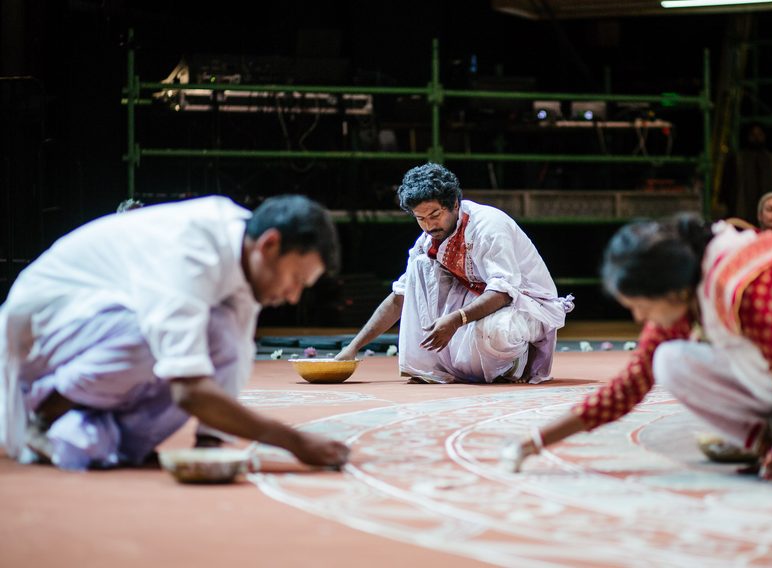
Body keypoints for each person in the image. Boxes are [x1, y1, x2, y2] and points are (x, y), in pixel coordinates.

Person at [504, 214, 772, 488]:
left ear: (670, 291)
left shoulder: (741, 284)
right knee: (670, 361)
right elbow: (626, 390)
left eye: (639, 305)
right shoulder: (684, 298)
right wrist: (536, 440)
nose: (640, 317)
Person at [0, 195, 350, 471]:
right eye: (296, 280)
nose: (292, 296)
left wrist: (211, 445)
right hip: (39, 339)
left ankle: (119, 442)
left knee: (223, 335)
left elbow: (235, 355)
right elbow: (189, 391)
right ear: (270, 245)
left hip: (90, 333)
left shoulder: (246, 260)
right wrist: (295, 443)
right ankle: (45, 415)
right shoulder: (191, 251)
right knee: (159, 342)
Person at [334, 163, 573, 384]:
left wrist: (458, 319)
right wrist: (352, 348)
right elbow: (400, 297)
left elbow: (504, 292)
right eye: (421, 219)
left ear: (455, 204)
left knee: (495, 333)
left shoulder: (488, 227)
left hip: (527, 306)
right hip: (476, 299)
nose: (429, 226)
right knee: (420, 265)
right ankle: (432, 368)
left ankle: (516, 361)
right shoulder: (429, 240)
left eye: (435, 215)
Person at [719, 122, 772, 224]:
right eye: (753, 135)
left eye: (759, 134)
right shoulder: (736, 159)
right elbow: (726, 185)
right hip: (740, 212)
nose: (756, 138)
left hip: (767, 216)